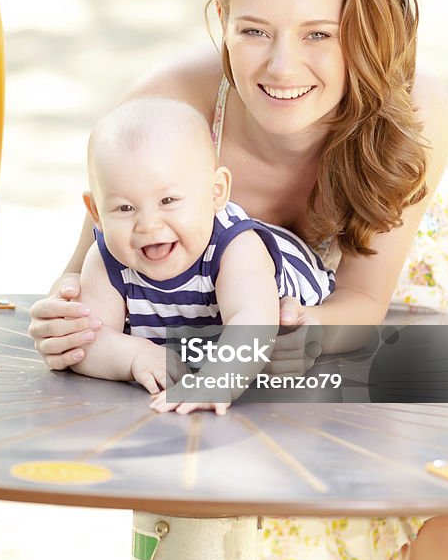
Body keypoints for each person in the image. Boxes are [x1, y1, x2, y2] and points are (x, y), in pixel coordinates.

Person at [28, 0, 448, 560]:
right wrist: (68, 318)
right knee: (226, 511)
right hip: (207, 339)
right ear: (221, 19)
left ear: (362, 30)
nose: (281, 64)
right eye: (254, 31)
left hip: (361, 317)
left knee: (437, 503)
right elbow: (95, 271)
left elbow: (363, 300)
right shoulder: (169, 106)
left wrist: (279, 333)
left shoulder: (410, 110)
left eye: (318, 34)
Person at [67, 96, 333, 414]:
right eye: (125, 208)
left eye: (168, 200)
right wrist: (134, 355)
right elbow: (85, 338)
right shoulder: (107, 257)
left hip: (290, 269)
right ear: (96, 211)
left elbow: (253, 322)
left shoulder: (235, 250)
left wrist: (218, 379)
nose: (149, 225)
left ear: (215, 192)